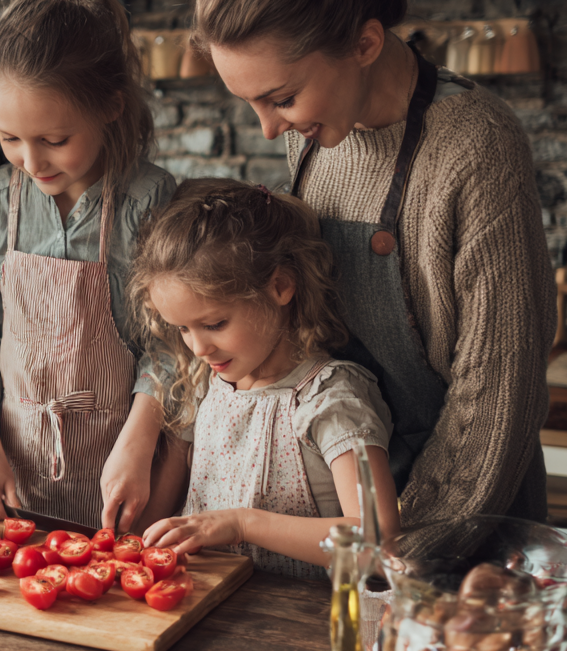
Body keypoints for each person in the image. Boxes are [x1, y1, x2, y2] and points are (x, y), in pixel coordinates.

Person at [192, 0, 555, 527]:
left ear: (364, 41)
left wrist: (394, 553)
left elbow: (496, 406)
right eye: (250, 103)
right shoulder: (314, 143)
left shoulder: (475, 147)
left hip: (461, 536)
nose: (269, 130)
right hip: (348, 532)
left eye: (282, 97)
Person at [0, 0, 185, 532]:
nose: (31, 161)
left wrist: (139, 442)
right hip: (17, 484)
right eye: (9, 138)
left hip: (130, 475)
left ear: (109, 107)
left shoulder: (148, 199)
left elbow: (170, 343)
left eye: (54, 140)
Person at [132, 179, 400, 579]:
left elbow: (378, 541)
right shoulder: (209, 384)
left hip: (296, 625)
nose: (198, 348)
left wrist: (243, 524)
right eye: (183, 330)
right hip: (208, 613)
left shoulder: (333, 399)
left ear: (280, 286)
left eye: (214, 323)